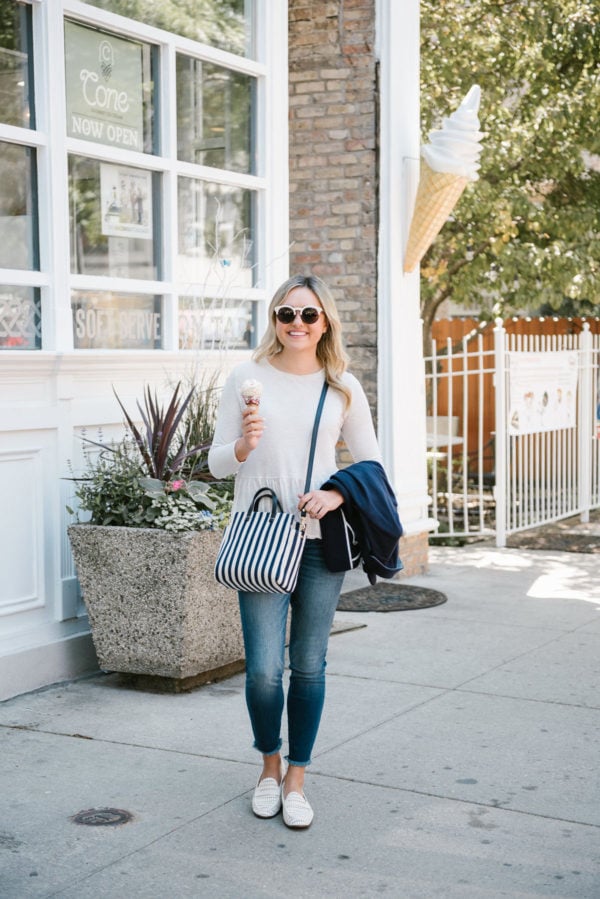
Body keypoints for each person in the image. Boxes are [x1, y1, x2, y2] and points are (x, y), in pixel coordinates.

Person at [208, 274, 383, 829]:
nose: (297, 325)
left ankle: (297, 778)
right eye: (287, 314)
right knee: (263, 671)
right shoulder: (246, 377)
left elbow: (371, 464)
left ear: (325, 321)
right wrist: (244, 445)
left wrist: (334, 492)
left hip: (318, 540)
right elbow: (215, 462)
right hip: (261, 535)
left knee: (308, 666)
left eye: (309, 316)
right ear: (275, 320)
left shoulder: (342, 387)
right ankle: (267, 767)